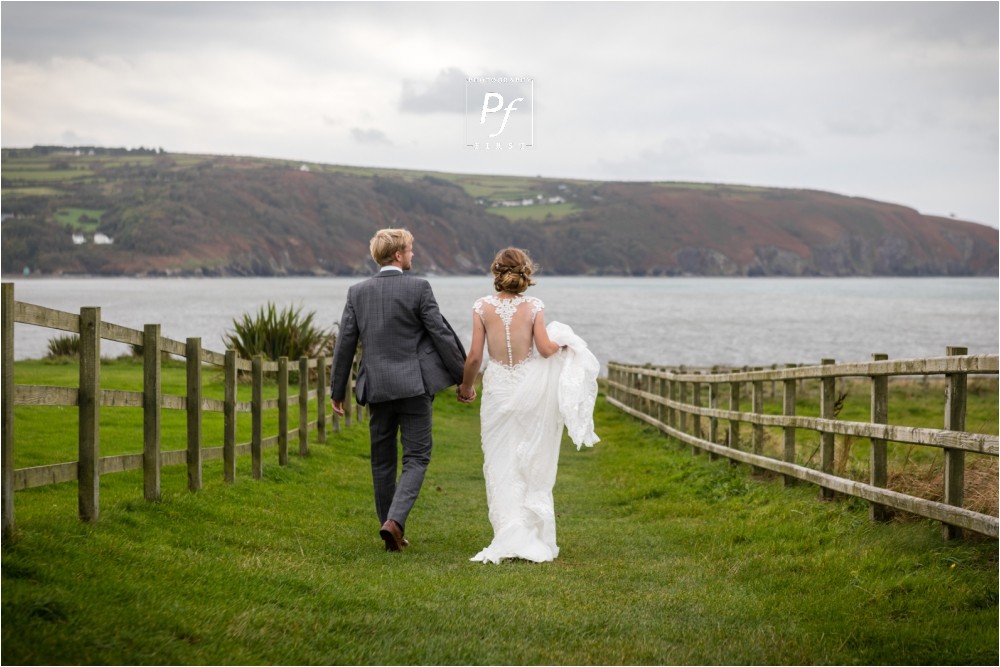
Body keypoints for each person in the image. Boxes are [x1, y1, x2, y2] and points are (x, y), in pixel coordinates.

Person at [330, 228, 469, 552]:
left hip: (376, 387)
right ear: (397, 255)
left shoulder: (357, 292)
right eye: (410, 249)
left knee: (381, 461)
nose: (412, 254)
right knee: (417, 457)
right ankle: (394, 522)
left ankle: (390, 526)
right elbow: (442, 336)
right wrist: (464, 379)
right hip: (414, 387)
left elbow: (344, 345)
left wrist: (337, 390)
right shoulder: (419, 287)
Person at [458, 248, 599, 564]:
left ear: (496, 272)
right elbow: (547, 350)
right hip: (528, 388)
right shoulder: (534, 307)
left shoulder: (481, 307)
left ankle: (508, 531)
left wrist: (466, 386)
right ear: (525, 273)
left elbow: (475, 358)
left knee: (500, 459)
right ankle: (527, 532)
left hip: (497, 390)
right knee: (530, 455)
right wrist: (567, 343)